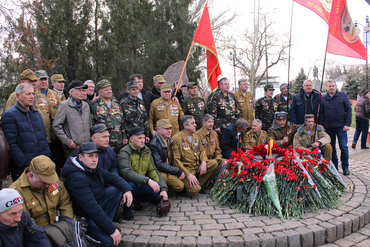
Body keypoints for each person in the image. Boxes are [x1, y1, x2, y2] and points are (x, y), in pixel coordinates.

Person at [62, 142, 133, 247]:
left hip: (95, 207)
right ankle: (94, 232)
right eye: (90, 156)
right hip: (83, 217)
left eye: (96, 156)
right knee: (109, 241)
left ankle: (103, 225)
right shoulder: (77, 177)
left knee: (115, 189)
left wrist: (127, 189)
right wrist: (111, 230)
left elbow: (112, 177)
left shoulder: (92, 168)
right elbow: (91, 208)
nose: (94, 159)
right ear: (80, 157)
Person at [1, 84, 50, 181]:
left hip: (41, 165)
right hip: (24, 169)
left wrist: (47, 155)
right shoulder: (10, 115)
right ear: (18, 96)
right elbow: (11, 143)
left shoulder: (36, 114)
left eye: (33, 93)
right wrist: (23, 161)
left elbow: (43, 138)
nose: (32, 96)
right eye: (28, 94)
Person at [118, 127, 168, 220]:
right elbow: (126, 172)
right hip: (128, 183)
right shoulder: (125, 151)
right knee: (131, 186)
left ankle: (137, 200)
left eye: (144, 138)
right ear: (132, 139)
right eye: (139, 138)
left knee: (157, 193)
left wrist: (163, 188)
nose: (143, 141)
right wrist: (148, 180)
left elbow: (153, 170)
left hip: (142, 182)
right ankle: (127, 210)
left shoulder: (147, 151)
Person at [10, 155, 74, 227]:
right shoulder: (16, 193)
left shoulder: (51, 180)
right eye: (43, 182)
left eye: (50, 181)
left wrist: (68, 225)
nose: (47, 185)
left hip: (58, 228)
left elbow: (65, 203)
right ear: (31, 176)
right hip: (37, 232)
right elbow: (25, 222)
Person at [172, 116, 218, 195]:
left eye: (195, 123)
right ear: (185, 126)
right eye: (192, 123)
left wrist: (203, 162)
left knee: (214, 163)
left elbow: (201, 150)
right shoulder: (176, 139)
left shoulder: (196, 136)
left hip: (197, 166)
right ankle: (191, 185)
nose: (195, 125)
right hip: (187, 169)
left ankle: (199, 183)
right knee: (195, 190)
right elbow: (175, 160)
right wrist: (188, 175)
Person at [319, 79, 352, 175]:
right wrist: (322, 125)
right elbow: (321, 113)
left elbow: (349, 110)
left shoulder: (343, 96)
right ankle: (335, 166)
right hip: (328, 127)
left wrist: (347, 124)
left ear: (336, 87)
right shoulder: (324, 98)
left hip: (341, 127)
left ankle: (345, 167)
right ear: (326, 88)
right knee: (331, 147)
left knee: (343, 146)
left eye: (333, 86)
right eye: (329, 86)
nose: (331, 87)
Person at [53, 81, 91, 159]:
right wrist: (67, 141)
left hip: (86, 146)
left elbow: (89, 124)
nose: (82, 93)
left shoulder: (86, 106)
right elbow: (56, 126)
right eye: (79, 90)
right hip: (73, 148)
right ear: (71, 92)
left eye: (84, 91)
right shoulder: (64, 105)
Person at [148, 119, 185, 193]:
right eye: (166, 129)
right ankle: (158, 193)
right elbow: (158, 164)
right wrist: (177, 171)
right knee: (163, 178)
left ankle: (164, 190)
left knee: (180, 186)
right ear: (158, 130)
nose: (169, 131)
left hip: (168, 170)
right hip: (159, 171)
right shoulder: (153, 144)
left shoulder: (169, 141)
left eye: (170, 128)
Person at [90, 79, 125, 152]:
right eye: (106, 90)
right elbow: (92, 124)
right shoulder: (94, 105)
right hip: (103, 143)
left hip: (119, 142)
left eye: (110, 89)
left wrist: (124, 137)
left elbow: (122, 121)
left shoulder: (116, 103)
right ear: (99, 92)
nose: (109, 91)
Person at [34, 70, 61, 144]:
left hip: (56, 135)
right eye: (41, 79)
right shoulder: (32, 95)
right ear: (36, 81)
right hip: (41, 135)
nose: (43, 82)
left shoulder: (54, 94)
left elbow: (61, 110)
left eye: (45, 79)